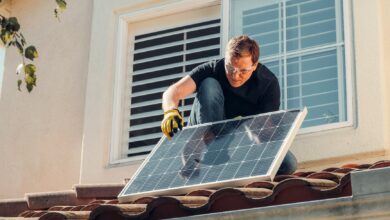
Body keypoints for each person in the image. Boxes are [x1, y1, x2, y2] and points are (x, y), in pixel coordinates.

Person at [160, 35, 297, 175]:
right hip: (208, 132)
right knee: (209, 84)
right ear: (225, 59)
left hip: (240, 138)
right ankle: (206, 149)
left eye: (243, 71)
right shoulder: (213, 69)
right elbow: (173, 92)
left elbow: (264, 133)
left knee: (288, 164)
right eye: (230, 68)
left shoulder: (267, 84)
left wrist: (266, 130)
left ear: (254, 66)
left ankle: (237, 165)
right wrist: (170, 112)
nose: (235, 75)